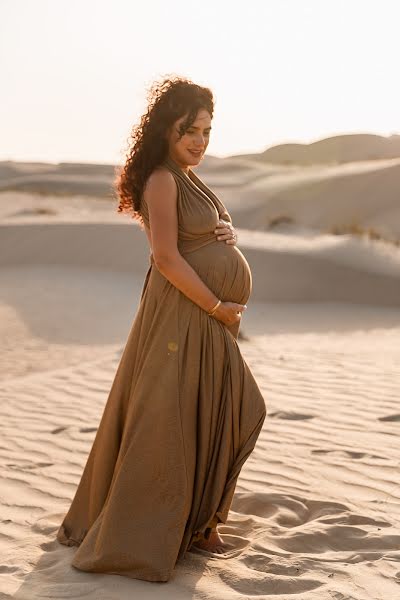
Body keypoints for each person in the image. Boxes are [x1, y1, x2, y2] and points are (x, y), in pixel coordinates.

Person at [56, 75, 267, 582]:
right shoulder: (161, 178)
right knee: (180, 420)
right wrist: (219, 306)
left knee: (221, 409)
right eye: (189, 129)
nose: (199, 140)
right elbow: (167, 258)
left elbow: (198, 236)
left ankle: (203, 523)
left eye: (207, 131)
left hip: (206, 319)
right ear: (165, 131)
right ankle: (172, 527)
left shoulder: (187, 176)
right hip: (187, 316)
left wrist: (226, 229)